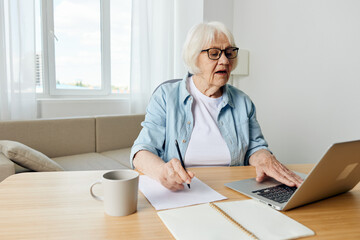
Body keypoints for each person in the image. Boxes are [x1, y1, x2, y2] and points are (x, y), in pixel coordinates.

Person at [130, 21, 303, 191]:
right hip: (183, 191)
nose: (225, 61)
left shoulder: (243, 102)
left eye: (229, 53)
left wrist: (265, 158)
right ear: (194, 57)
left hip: (232, 190)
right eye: (214, 53)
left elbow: (255, 147)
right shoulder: (166, 96)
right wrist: (162, 172)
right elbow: (141, 151)